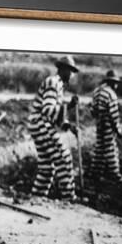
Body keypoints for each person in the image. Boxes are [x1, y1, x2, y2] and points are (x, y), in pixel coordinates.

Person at [27, 55, 79, 200]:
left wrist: (69, 126)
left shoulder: (59, 86)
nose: (72, 75)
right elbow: (48, 110)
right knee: (64, 157)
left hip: (41, 125)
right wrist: (69, 106)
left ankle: (36, 197)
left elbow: (56, 117)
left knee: (47, 166)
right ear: (63, 69)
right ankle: (69, 198)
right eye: (71, 71)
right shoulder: (52, 83)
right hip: (41, 124)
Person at [88, 70, 122, 186]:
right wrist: (118, 131)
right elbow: (114, 116)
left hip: (99, 125)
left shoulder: (97, 91)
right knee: (111, 150)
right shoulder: (111, 94)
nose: (117, 85)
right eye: (116, 83)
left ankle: (94, 173)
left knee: (100, 149)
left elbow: (92, 110)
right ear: (113, 82)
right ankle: (116, 175)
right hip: (107, 126)